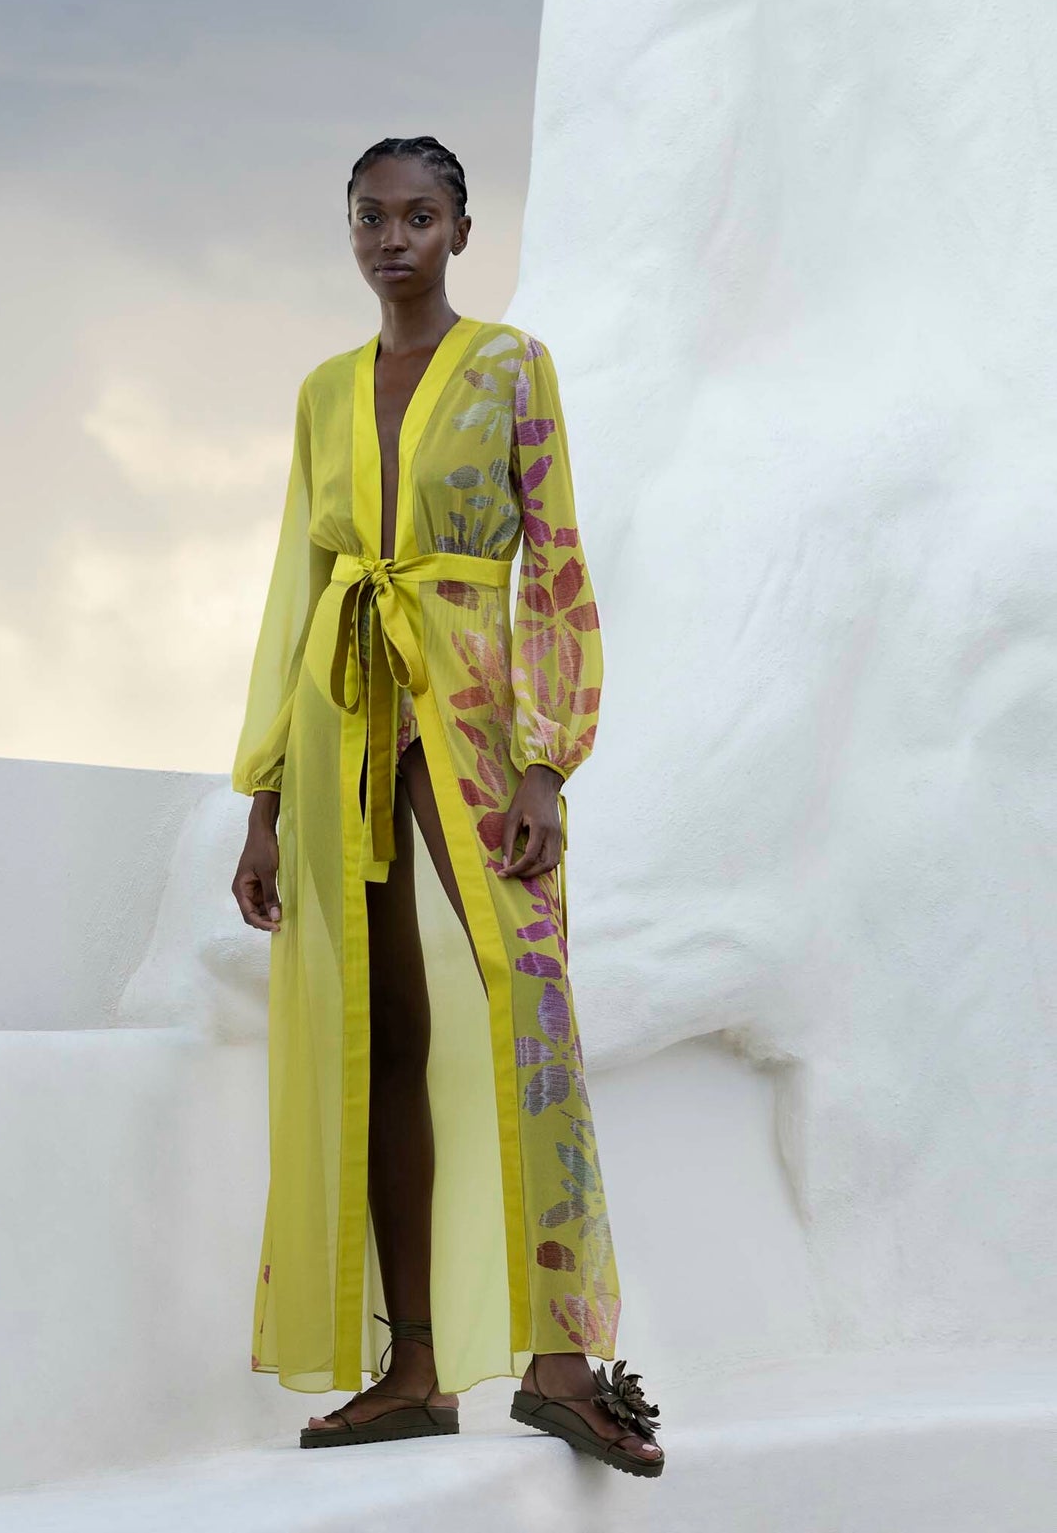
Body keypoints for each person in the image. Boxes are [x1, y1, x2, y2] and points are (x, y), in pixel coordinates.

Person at [229, 135, 663, 1475]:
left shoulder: (514, 368)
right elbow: (298, 589)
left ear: (463, 229)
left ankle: (566, 1358)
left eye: (420, 214)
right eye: (372, 216)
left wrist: (546, 756)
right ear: (350, 231)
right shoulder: (321, 393)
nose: (393, 236)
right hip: (342, 711)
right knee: (382, 1025)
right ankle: (409, 1365)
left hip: (476, 717)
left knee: (528, 999)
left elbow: (560, 566)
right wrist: (263, 794)